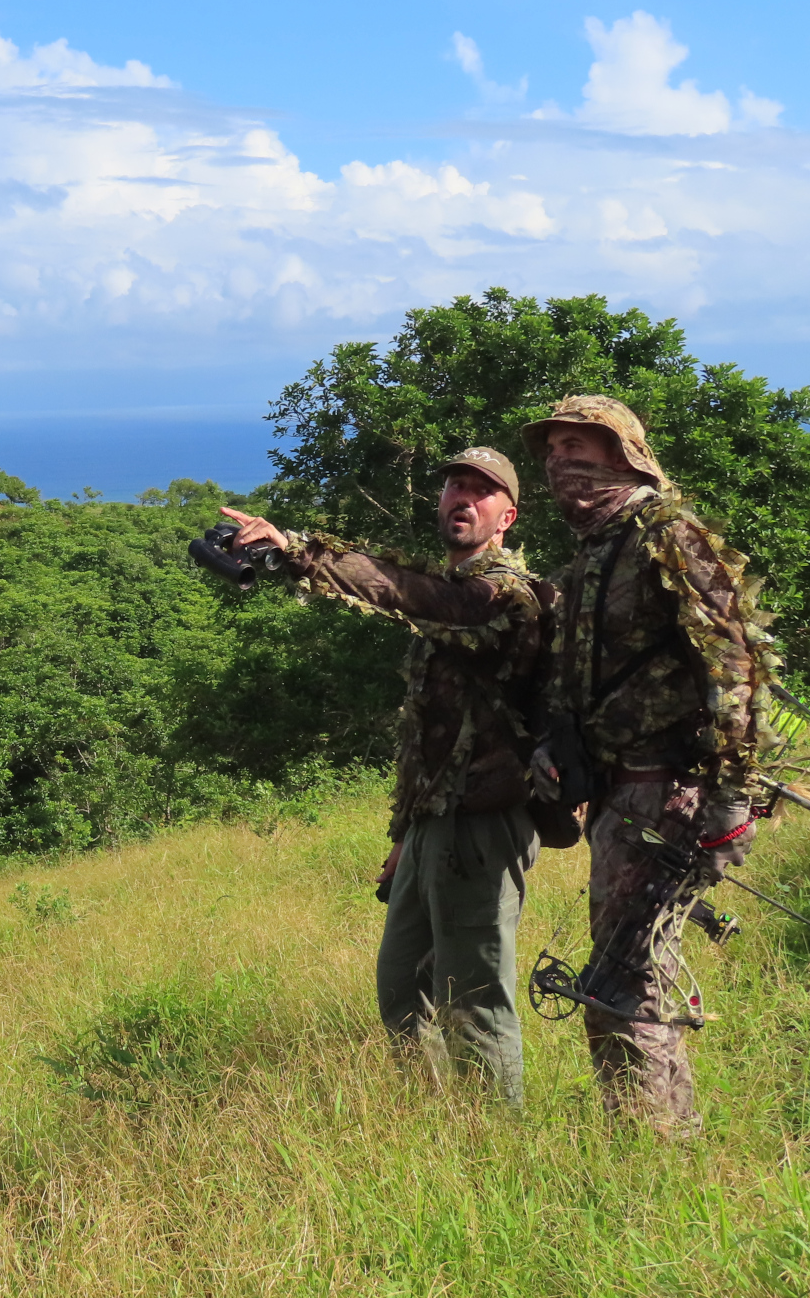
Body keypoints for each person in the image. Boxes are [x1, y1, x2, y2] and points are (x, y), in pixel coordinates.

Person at [222, 448, 558, 1104]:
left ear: (506, 516)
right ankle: (431, 1126)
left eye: (480, 492)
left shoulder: (505, 598)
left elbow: (407, 590)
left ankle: (498, 1147)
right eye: (454, 487)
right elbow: (433, 737)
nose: (462, 497)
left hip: (485, 826)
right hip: (435, 827)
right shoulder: (451, 601)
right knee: (404, 990)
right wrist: (407, 832)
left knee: (476, 1002)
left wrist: (295, 548)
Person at [522, 395, 772, 1134]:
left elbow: (737, 665)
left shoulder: (668, 535)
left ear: (625, 452)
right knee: (629, 975)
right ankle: (662, 1139)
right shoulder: (597, 551)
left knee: (621, 982)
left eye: (581, 445)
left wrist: (732, 800)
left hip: (671, 796)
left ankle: (650, 1149)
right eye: (553, 450)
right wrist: (554, 748)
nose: (562, 462)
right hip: (618, 800)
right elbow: (585, 679)